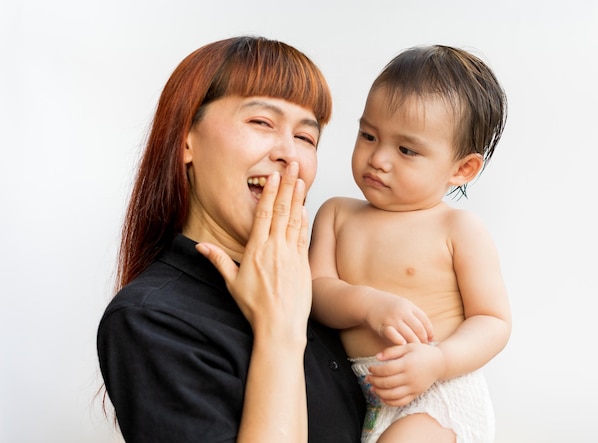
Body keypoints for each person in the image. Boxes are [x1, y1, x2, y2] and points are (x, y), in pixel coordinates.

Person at [97, 36, 365, 443]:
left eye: (307, 138)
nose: (289, 154)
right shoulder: (150, 319)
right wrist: (280, 329)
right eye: (262, 122)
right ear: (186, 139)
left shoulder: (323, 288)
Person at [309, 45, 512, 442]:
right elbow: (315, 292)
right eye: (368, 135)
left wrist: (438, 360)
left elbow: (493, 321)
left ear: (461, 168)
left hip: (435, 394)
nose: (378, 158)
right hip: (363, 397)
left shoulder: (457, 229)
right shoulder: (336, 215)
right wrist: (369, 304)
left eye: (406, 150)